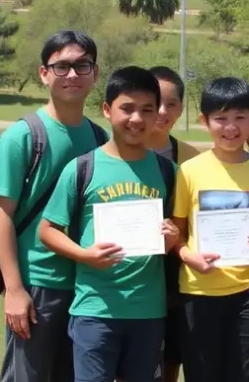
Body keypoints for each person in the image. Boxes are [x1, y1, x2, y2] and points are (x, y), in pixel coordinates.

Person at [37, 66, 180, 382]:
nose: (136, 118)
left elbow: (179, 231)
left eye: (146, 109)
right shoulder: (82, 168)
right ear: (106, 109)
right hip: (94, 309)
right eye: (126, 108)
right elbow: (47, 230)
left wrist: (172, 240)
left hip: (148, 311)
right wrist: (84, 255)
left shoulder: (168, 172)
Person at [0, 30, 108, 382]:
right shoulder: (22, 136)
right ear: (44, 73)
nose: (72, 74)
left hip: (87, 286)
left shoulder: (100, 138)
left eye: (82, 65)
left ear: (95, 74)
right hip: (37, 284)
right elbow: (1, 215)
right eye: (61, 66)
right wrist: (14, 289)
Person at [171, 77, 249, 382]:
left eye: (240, 117)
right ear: (204, 121)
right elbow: (178, 234)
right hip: (198, 290)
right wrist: (188, 256)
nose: (230, 127)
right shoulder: (189, 171)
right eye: (220, 118)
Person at [146, 66, 201, 382]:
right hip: (129, 276)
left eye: (172, 104)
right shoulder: (114, 153)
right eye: (156, 102)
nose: (163, 112)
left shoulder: (193, 158)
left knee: (172, 356)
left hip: (177, 276)